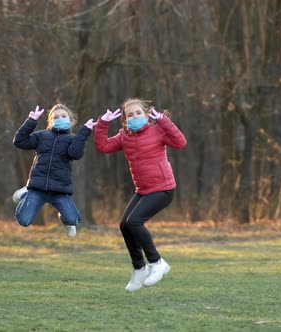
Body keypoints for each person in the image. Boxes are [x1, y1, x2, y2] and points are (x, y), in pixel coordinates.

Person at [94, 98, 187, 291]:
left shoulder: (158, 131)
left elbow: (181, 142)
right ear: (125, 120)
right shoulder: (124, 136)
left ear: (146, 115)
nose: (134, 116)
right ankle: (139, 268)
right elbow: (103, 146)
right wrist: (102, 124)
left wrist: (164, 121)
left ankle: (157, 262)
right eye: (130, 115)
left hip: (163, 188)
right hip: (143, 190)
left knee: (134, 221)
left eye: (138, 113)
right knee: (124, 225)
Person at [12, 104, 97, 237]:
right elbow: (19, 141)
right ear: (51, 121)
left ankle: (64, 220)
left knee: (74, 220)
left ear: (71, 120)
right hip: (38, 188)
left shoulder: (73, 139)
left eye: (63, 116)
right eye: (56, 117)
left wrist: (84, 132)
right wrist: (31, 121)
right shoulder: (42, 136)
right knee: (23, 221)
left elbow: (75, 154)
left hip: (60, 190)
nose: (60, 118)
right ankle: (25, 193)